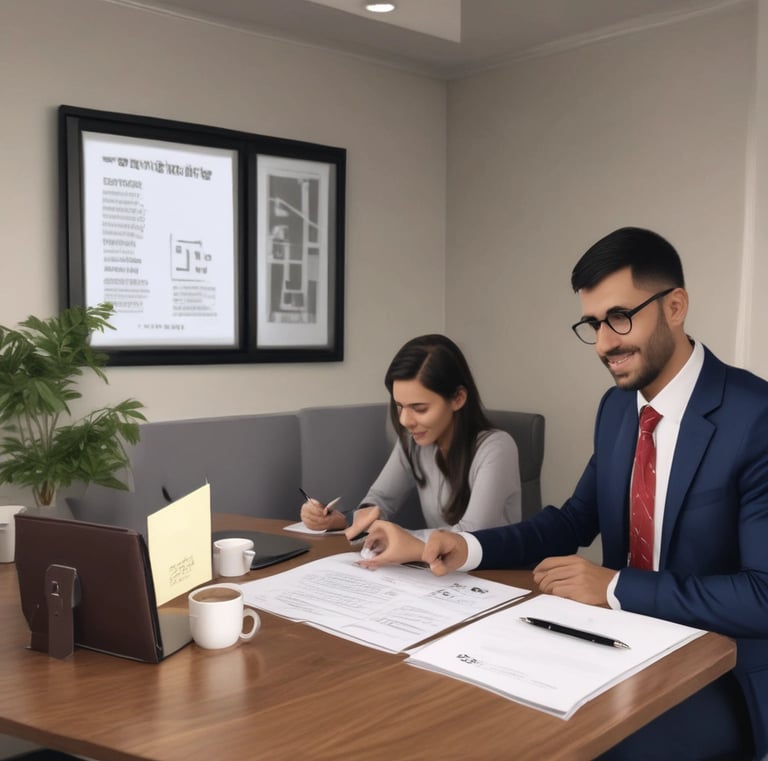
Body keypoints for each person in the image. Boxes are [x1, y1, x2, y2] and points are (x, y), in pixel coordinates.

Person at [360, 228, 768, 761]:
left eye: (620, 318)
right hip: (612, 646)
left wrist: (616, 587)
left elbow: (763, 596)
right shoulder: (617, 409)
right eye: (593, 324)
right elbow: (572, 521)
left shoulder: (753, 416)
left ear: (675, 306)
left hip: (718, 670)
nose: (604, 344)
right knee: (477, 716)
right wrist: (465, 548)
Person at [299, 334, 521, 552]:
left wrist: (398, 536)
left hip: (495, 577)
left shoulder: (497, 448)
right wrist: (340, 520)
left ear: (458, 398)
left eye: (419, 408)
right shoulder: (413, 443)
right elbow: (379, 502)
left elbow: (469, 537)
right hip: (440, 572)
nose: (405, 421)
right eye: (399, 406)